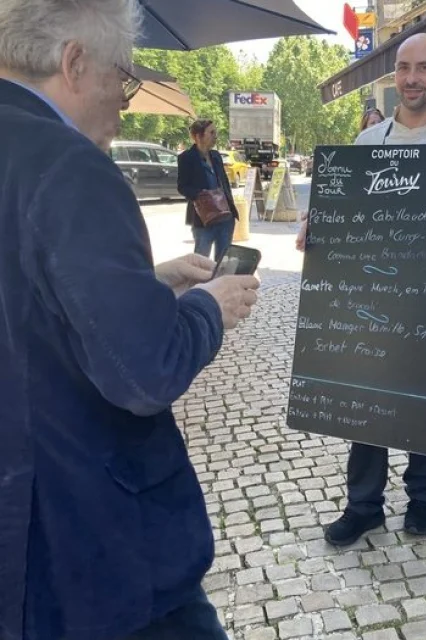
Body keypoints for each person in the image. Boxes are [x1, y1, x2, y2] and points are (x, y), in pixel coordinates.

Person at [0, 1, 259, 639]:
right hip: (91, 539)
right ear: (74, 62)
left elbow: (32, 304)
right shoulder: (69, 165)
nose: (126, 98)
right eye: (125, 76)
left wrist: (150, 282)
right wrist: (209, 307)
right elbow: (142, 372)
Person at [296, 33, 426, 546]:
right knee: (367, 405)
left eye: (423, 68)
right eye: (404, 68)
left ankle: (421, 502)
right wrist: (314, 223)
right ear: (394, 75)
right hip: (373, 303)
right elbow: (341, 213)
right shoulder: (369, 145)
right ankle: (363, 506)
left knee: (424, 399)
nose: (412, 78)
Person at [179, 120, 238, 260]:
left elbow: (224, 182)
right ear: (198, 136)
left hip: (225, 217)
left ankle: (220, 282)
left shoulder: (216, 156)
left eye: (215, 132)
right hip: (204, 219)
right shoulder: (186, 158)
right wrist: (201, 195)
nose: (215, 136)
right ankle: (201, 283)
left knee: (223, 261)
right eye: (211, 133)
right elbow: (182, 187)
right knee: (201, 261)